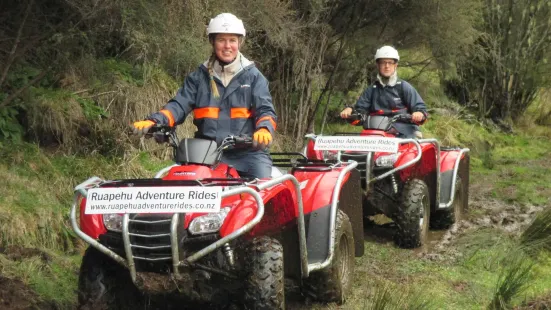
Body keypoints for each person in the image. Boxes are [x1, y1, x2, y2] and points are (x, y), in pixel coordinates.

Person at [132, 13, 277, 179]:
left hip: (248, 155)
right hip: (205, 155)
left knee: (263, 192)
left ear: (239, 43)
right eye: (222, 40)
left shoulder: (253, 77)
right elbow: (178, 105)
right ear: (213, 42)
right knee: (181, 188)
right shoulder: (198, 78)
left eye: (232, 40)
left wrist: (264, 129)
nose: (227, 46)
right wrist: (155, 121)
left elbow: (265, 109)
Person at [340, 46, 428, 138]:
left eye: (390, 62)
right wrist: (350, 112)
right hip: (376, 133)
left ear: (395, 65)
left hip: (403, 133)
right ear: (378, 65)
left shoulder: (404, 87)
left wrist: (419, 114)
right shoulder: (371, 90)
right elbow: (360, 114)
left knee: (410, 149)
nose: (387, 66)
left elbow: (421, 109)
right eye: (383, 62)